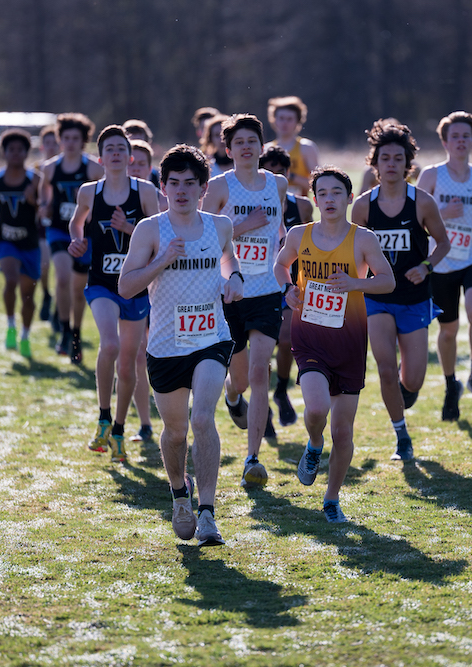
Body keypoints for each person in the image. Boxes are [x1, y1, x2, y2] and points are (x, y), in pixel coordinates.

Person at [119, 144, 243, 546]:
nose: (182, 191)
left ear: (204, 188)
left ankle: (208, 514)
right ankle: (179, 495)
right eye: (174, 183)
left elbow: (229, 259)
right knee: (175, 433)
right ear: (163, 186)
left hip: (211, 338)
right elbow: (126, 285)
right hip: (166, 346)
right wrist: (161, 261)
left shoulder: (219, 225)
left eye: (191, 184)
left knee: (202, 418)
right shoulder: (150, 230)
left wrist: (235, 279)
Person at [274, 166, 394, 522]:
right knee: (315, 409)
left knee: (343, 432)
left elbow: (387, 281)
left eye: (336, 193)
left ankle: (331, 499)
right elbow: (281, 265)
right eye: (322, 193)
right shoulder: (299, 234)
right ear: (314, 199)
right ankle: (313, 444)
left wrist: (356, 284)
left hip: (350, 340)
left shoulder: (363, 239)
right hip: (309, 335)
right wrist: (288, 290)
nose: (329, 199)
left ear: (349, 198)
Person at [350, 120, 451, 461]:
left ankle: (404, 395)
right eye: (385, 158)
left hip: (415, 299)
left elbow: (443, 243)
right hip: (378, 299)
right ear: (374, 164)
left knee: (415, 379)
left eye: (397, 159)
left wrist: (426, 267)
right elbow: (356, 256)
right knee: (385, 369)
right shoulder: (363, 207)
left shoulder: (422, 202)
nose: (391, 165)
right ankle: (401, 435)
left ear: (408, 164)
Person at [201, 113, 288, 488]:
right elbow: (205, 236)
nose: (247, 147)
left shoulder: (277, 184)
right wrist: (244, 226)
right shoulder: (220, 186)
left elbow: (280, 232)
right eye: (239, 142)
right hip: (230, 292)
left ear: (262, 145)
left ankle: (253, 457)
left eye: (253, 140)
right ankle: (231, 397)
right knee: (238, 379)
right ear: (228, 149)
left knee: (259, 372)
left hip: (267, 290)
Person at [69, 125, 161, 462]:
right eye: (110, 149)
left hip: (136, 286)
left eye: (121, 148)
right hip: (102, 284)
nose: (116, 153)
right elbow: (77, 222)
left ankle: (120, 429)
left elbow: (160, 232)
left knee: (128, 362)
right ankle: (103, 416)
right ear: (100, 157)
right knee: (109, 344)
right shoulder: (89, 192)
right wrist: (77, 240)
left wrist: (129, 229)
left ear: (131, 156)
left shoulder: (146, 192)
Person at [416, 111, 472, 421]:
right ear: (445, 141)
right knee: (448, 331)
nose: (461, 141)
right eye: (455, 137)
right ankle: (451, 385)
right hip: (441, 260)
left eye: (466, 136)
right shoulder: (433, 175)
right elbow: (416, 214)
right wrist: (441, 213)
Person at [38, 113, 104, 363]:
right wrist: (45, 205)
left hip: (85, 236)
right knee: (62, 278)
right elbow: (43, 188)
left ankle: (75, 334)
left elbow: (106, 196)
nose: (70, 143)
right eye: (66, 138)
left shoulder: (94, 169)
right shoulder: (50, 167)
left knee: (79, 291)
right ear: (59, 139)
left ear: (84, 141)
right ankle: (64, 330)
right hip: (58, 230)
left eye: (76, 138)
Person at [259, 146, 314, 429]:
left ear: (288, 175)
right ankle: (261, 402)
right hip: (256, 286)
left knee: (286, 340)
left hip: (289, 284)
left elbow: (313, 244)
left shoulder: (302, 206)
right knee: (261, 349)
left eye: (280, 173)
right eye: (268, 173)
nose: (275, 179)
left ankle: (280, 389)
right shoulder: (251, 208)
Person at [0, 128, 41, 359]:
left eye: (20, 150)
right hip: (5, 242)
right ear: (4, 153)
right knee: (11, 278)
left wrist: (33, 200)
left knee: (28, 296)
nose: (15, 154)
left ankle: (25, 335)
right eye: (11, 150)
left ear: (27, 153)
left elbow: (46, 210)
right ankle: (10, 325)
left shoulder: (35, 180)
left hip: (30, 244)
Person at [126, 138, 159, 443]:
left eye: (141, 164)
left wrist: (127, 229)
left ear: (151, 168)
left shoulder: (165, 199)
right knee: (138, 353)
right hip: (134, 286)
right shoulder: (115, 197)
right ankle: (145, 423)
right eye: (131, 163)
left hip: (163, 290)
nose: (135, 168)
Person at [266, 96, 319, 196]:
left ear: (297, 122)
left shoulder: (307, 148)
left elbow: (318, 184)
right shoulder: (266, 149)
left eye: (289, 119)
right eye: (281, 118)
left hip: (299, 208)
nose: (284, 123)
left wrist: (290, 176)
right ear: (274, 120)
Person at [36, 125, 60, 323]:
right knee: (44, 265)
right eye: (48, 143)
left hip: (62, 227)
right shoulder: (36, 171)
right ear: (42, 146)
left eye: (55, 143)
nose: (51, 146)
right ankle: (45, 294)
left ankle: (60, 312)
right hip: (42, 228)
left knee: (63, 274)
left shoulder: (65, 169)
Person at [122, 119, 162, 188]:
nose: (136, 150)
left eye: (140, 144)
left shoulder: (159, 177)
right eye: (131, 145)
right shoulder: (109, 179)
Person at [200, 113, 232, 179]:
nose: (221, 139)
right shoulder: (206, 167)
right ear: (210, 139)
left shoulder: (244, 164)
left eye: (224, 135)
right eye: (217, 135)